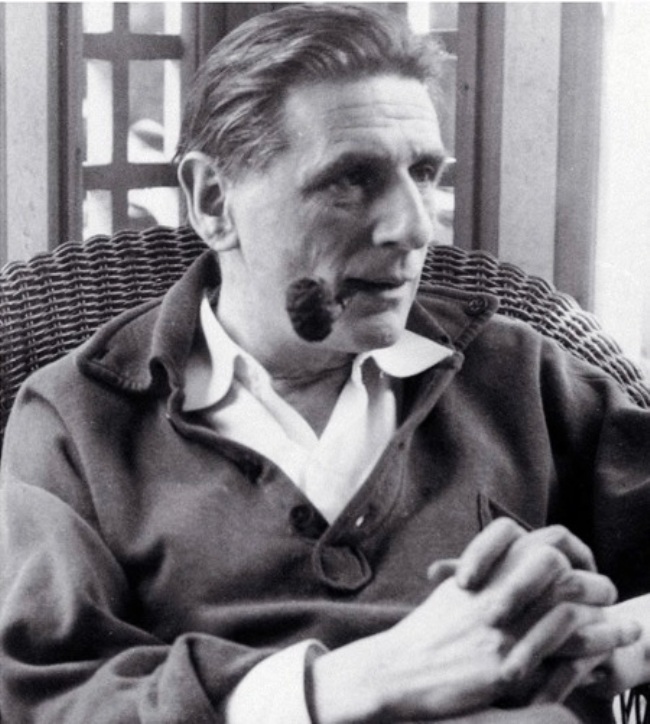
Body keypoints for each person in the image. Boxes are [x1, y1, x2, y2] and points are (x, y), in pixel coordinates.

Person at [1, 4, 650, 723]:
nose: (413, 227)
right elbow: (50, 696)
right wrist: (353, 682)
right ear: (214, 201)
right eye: (350, 180)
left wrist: (601, 644)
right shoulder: (77, 419)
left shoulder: (518, 374)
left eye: (424, 173)